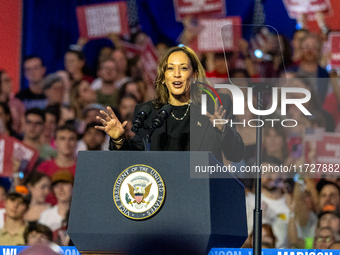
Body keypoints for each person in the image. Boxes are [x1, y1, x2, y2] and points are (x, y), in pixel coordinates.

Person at [96, 46, 244, 163]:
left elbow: (236, 155)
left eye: (183, 68)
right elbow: (135, 160)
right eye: (170, 68)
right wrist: (119, 139)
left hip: (203, 191)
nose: (176, 74)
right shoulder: (146, 111)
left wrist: (223, 130)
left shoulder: (217, 105)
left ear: (194, 75)